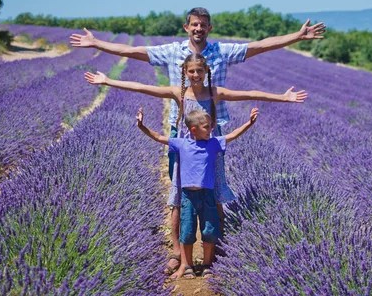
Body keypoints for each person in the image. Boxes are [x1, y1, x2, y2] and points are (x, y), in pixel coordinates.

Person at [84, 53, 307, 273]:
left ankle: (216, 249)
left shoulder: (214, 93)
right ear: (185, 72)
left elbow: (248, 93)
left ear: (206, 72)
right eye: (191, 71)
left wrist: (282, 97)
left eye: (200, 70)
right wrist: (108, 81)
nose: (196, 74)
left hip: (210, 147)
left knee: (215, 194)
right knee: (180, 199)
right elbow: (143, 87)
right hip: (186, 149)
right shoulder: (178, 92)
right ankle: (179, 254)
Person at [136, 106, 259, 279]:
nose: (211, 129)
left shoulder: (213, 143)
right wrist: (141, 126)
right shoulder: (182, 144)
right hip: (188, 197)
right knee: (187, 232)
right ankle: (188, 267)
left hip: (207, 195)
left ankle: (207, 264)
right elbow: (158, 137)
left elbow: (232, 135)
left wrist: (249, 123)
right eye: (207, 127)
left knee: (209, 230)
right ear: (194, 129)